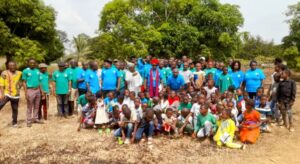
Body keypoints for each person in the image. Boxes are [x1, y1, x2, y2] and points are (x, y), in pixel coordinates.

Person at [0, 61, 22, 127]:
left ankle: (14, 123)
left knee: (15, 109)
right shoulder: (4, 73)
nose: (12, 67)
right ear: (8, 66)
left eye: (14, 65)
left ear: (16, 66)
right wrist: (2, 94)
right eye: (11, 65)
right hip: (7, 93)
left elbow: (24, 78)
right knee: (0, 105)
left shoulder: (19, 73)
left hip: (16, 95)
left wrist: (20, 84)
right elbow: (1, 84)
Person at [22, 59, 42, 127]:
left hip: (37, 90)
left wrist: (41, 91)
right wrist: (25, 92)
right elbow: (24, 82)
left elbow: (39, 81)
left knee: (37, 106)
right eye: (31, 63)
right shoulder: (25, 71)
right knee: (29, 107)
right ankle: (29, 121)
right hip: (30, 90)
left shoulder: (37, 71)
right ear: (28, 63)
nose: (32, 64)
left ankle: (35, 119)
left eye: (34, 63)